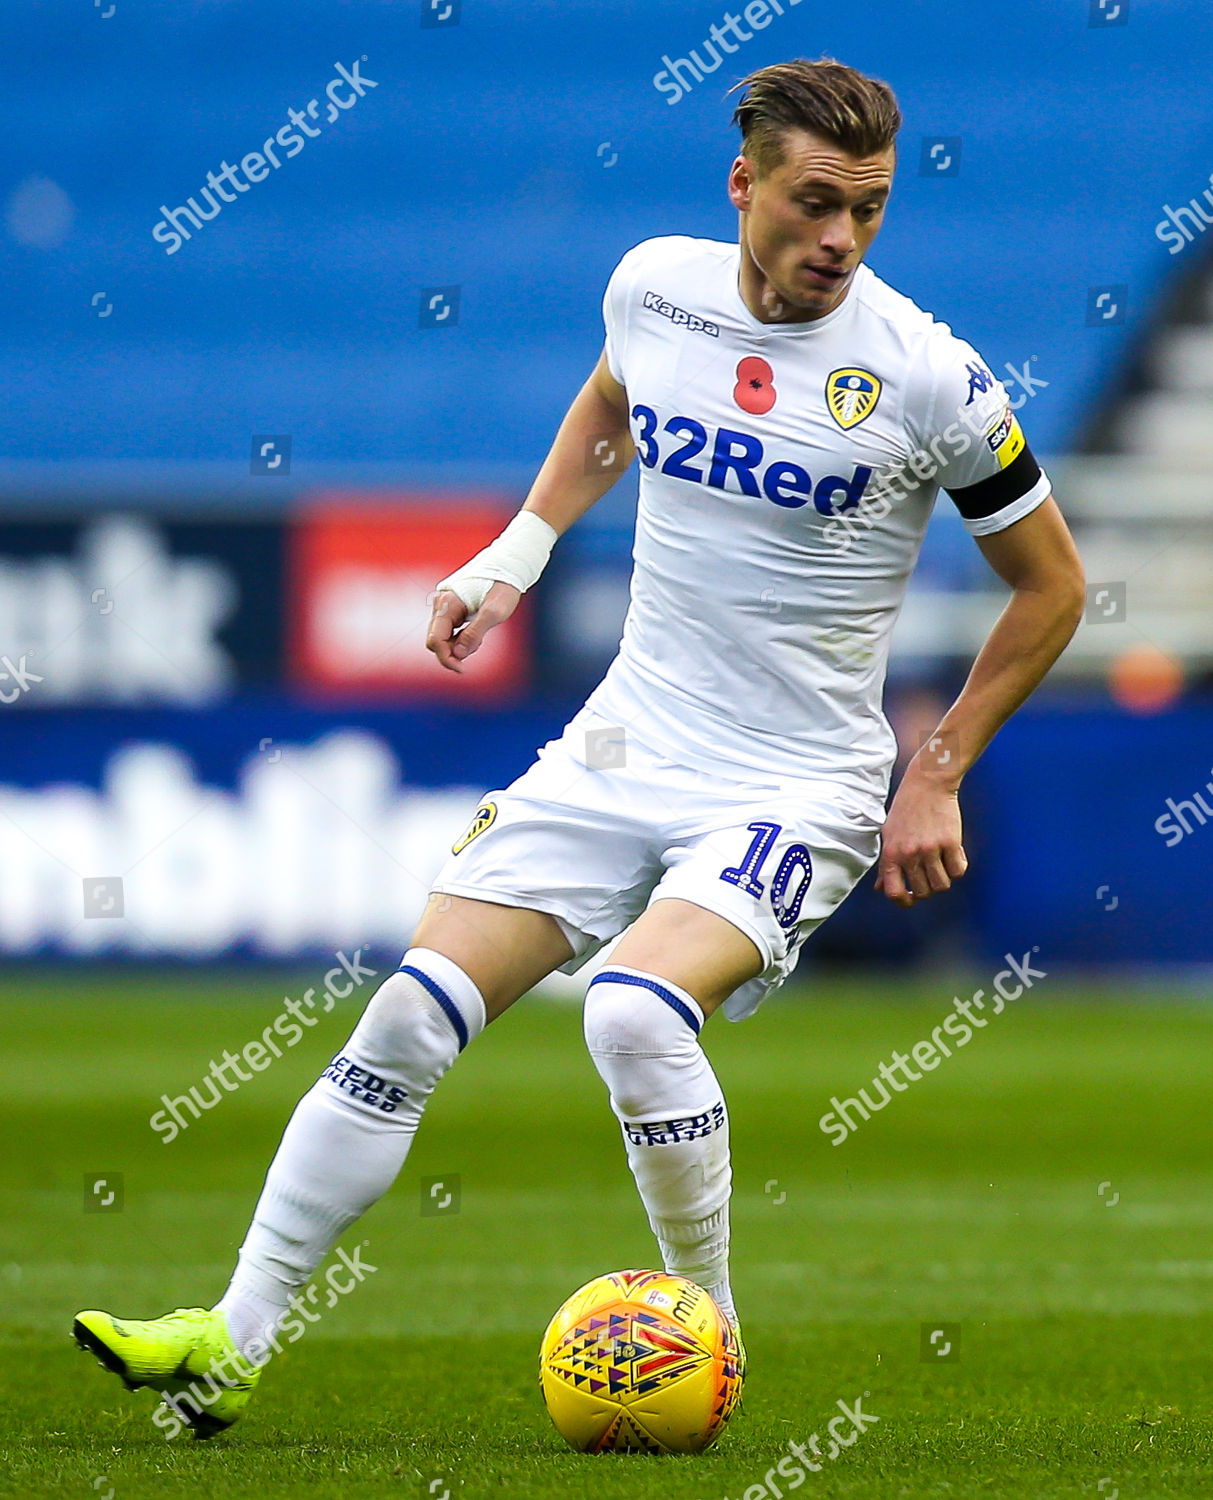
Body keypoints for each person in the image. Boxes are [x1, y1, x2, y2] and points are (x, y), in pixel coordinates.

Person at [73, 55, 1085, 1437]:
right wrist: (514, 556)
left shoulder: (926, 376)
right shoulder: (653, 287)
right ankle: (232, 1340)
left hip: (798, 780)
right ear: (744, 188)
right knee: (408, 1010)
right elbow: (613, 405)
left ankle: (708, 1329)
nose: (838, 239)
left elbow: (1051, 586)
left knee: (628, 1010)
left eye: (867, 210)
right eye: (811, 203)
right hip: (624, 741)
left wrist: (938, 767)